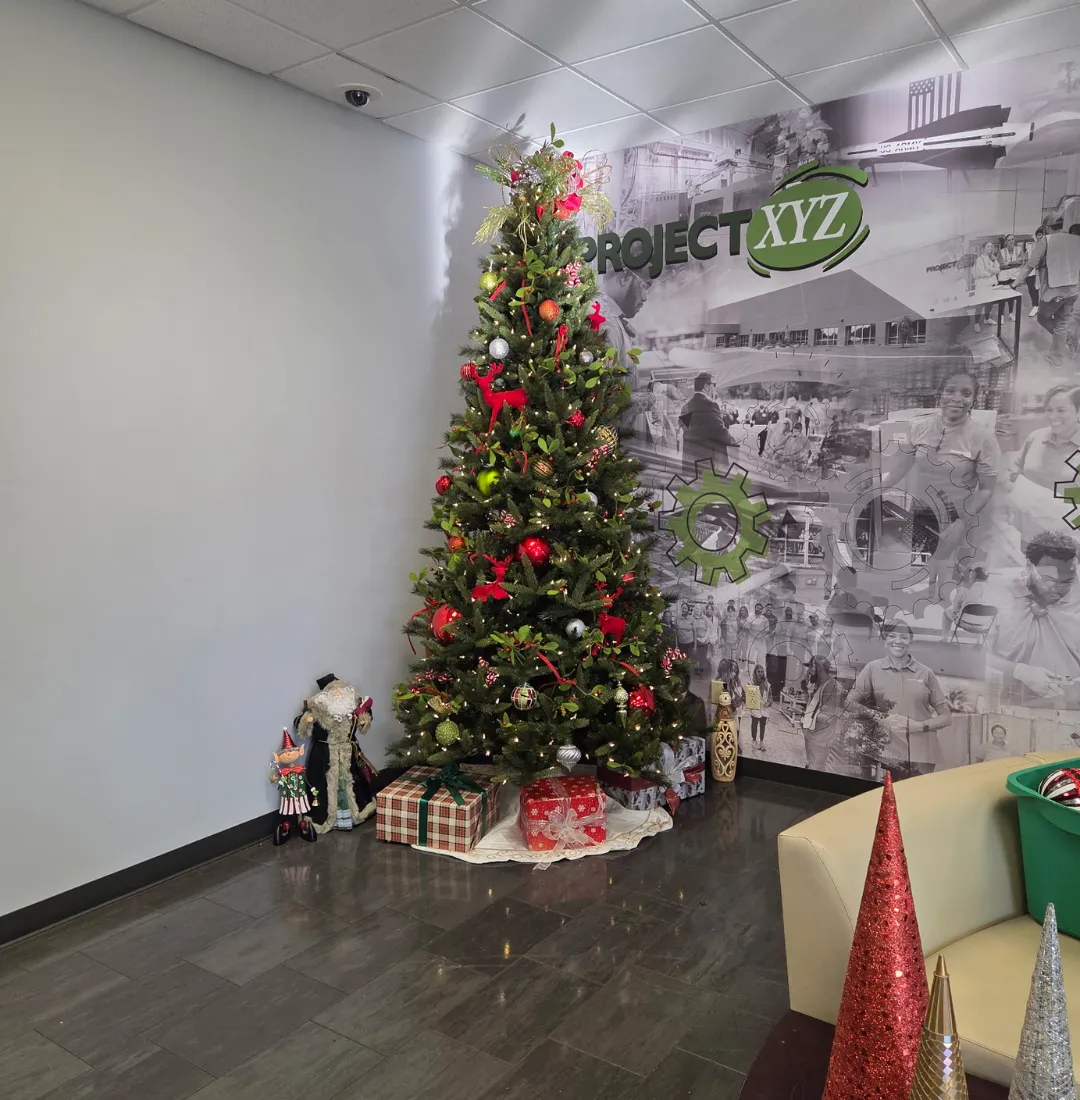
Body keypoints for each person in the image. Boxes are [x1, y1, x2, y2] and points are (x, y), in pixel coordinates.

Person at [882, 370, 1000, 597]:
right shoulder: (919, 428)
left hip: (957, 518)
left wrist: (961, 523)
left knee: (950, 585)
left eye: (966, 393)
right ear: (940, 394)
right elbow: (902, 464)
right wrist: (879, 487)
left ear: (974, 400)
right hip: (922, 514)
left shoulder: (983, 437)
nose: (957, 398)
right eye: (950, 391)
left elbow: (986, 489)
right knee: (922, 581)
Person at [986, 529, 1080, 707]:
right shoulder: (999, 596)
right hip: (1013, 704)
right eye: (1048, 579)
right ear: (1029, 566)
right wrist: (1019, 671)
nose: (1057, 589)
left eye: (1067, 582)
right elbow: (977, 656)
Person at [846, 620, 952, 775]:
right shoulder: (872, 668)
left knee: (918, 790)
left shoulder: (926, 673)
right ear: (885, 640)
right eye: (892, 636)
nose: (898, 641)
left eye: (903, 637)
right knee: (887, 790)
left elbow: (946, 717)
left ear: (910, 641)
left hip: (922, 754)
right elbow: (849, 703)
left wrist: (920, 726)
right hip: (886, 751)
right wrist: (881, 717)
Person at [1008, 385, 1080, 546]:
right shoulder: (1036, 438)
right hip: (1028, 534)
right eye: (1049, 410)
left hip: (1069, 539)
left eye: (1061, 410)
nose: (1053, 416)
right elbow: (1015, 473)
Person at [1011, 216, 1080, 367]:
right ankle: (1057, 358)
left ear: (1047, 227)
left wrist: (1014, 284)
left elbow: (1029, 266)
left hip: (1053, 292)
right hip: (1073, 291)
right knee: (1061, 322)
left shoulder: (1046, 241)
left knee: (1042, 318)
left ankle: (1069, 339)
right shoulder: (1076, 240)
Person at [679, 373, 737, 480]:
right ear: (706, 386)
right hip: (708, 462)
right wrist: (733, 441)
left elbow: (685, 429)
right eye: (714, 385)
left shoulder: (685, 407)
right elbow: (720, 431)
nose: (714, 388)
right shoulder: (711, 405)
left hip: (690, 461)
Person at [801, 656, 846, 770]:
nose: (808, 671)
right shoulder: (820, 684)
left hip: (821, 741)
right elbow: (811, 705)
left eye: (810, 667)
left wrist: (807, 716)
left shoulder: (832, 688)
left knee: (816, 770)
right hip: (812, 736)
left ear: (820, 668)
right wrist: (804, 689)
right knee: (811, 765)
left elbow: (828, 718)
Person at [941, 563, 991, 641]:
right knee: (982, 611)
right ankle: (979, 642)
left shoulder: (964, 591)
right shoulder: (993, 593)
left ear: (973, 577)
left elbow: (955, 610)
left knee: (947, 612)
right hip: (985, 626)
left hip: (965, 623)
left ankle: (945, 640)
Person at [747, 664, 770, 750]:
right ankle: (754, 740)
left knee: (762, 725)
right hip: (755, 708)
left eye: (762, 672)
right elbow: (748, 696)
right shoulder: (751, 683)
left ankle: (761, 741)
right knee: (754, 724)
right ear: (755, 672)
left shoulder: (767, 684)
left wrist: (769, 703)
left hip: (764, 708)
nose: (760, 673)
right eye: (758, 671)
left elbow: (770, 696)